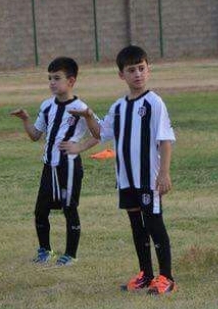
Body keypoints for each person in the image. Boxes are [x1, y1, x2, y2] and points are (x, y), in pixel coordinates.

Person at [71, 46, 176, 295]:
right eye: (131, 70)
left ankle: (166, 277)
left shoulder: (154, 102)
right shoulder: (118, 107)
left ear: (148, 70)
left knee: (154, 224)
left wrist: (164, 173)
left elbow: (165, 140)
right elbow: (100, 133)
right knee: (136, 226)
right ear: (122, 75)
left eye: (141, 68)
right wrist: (87, 116)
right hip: (126, 178)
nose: (137, 74)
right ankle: (146, 274)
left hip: (148, 176)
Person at [10, 57, 96, 267]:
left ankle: (70, 254)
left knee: (69, 208)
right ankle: (44, 250)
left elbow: (99, 134)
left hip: (69, 167)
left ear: (71, 81)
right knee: (41, 210)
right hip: (49, 167)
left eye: (57, 78)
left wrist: (80, 146)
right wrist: (25, 120)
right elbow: (35, 135)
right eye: (50, 78)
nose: (52, 83)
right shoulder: (47, 106)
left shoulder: (81, 107)